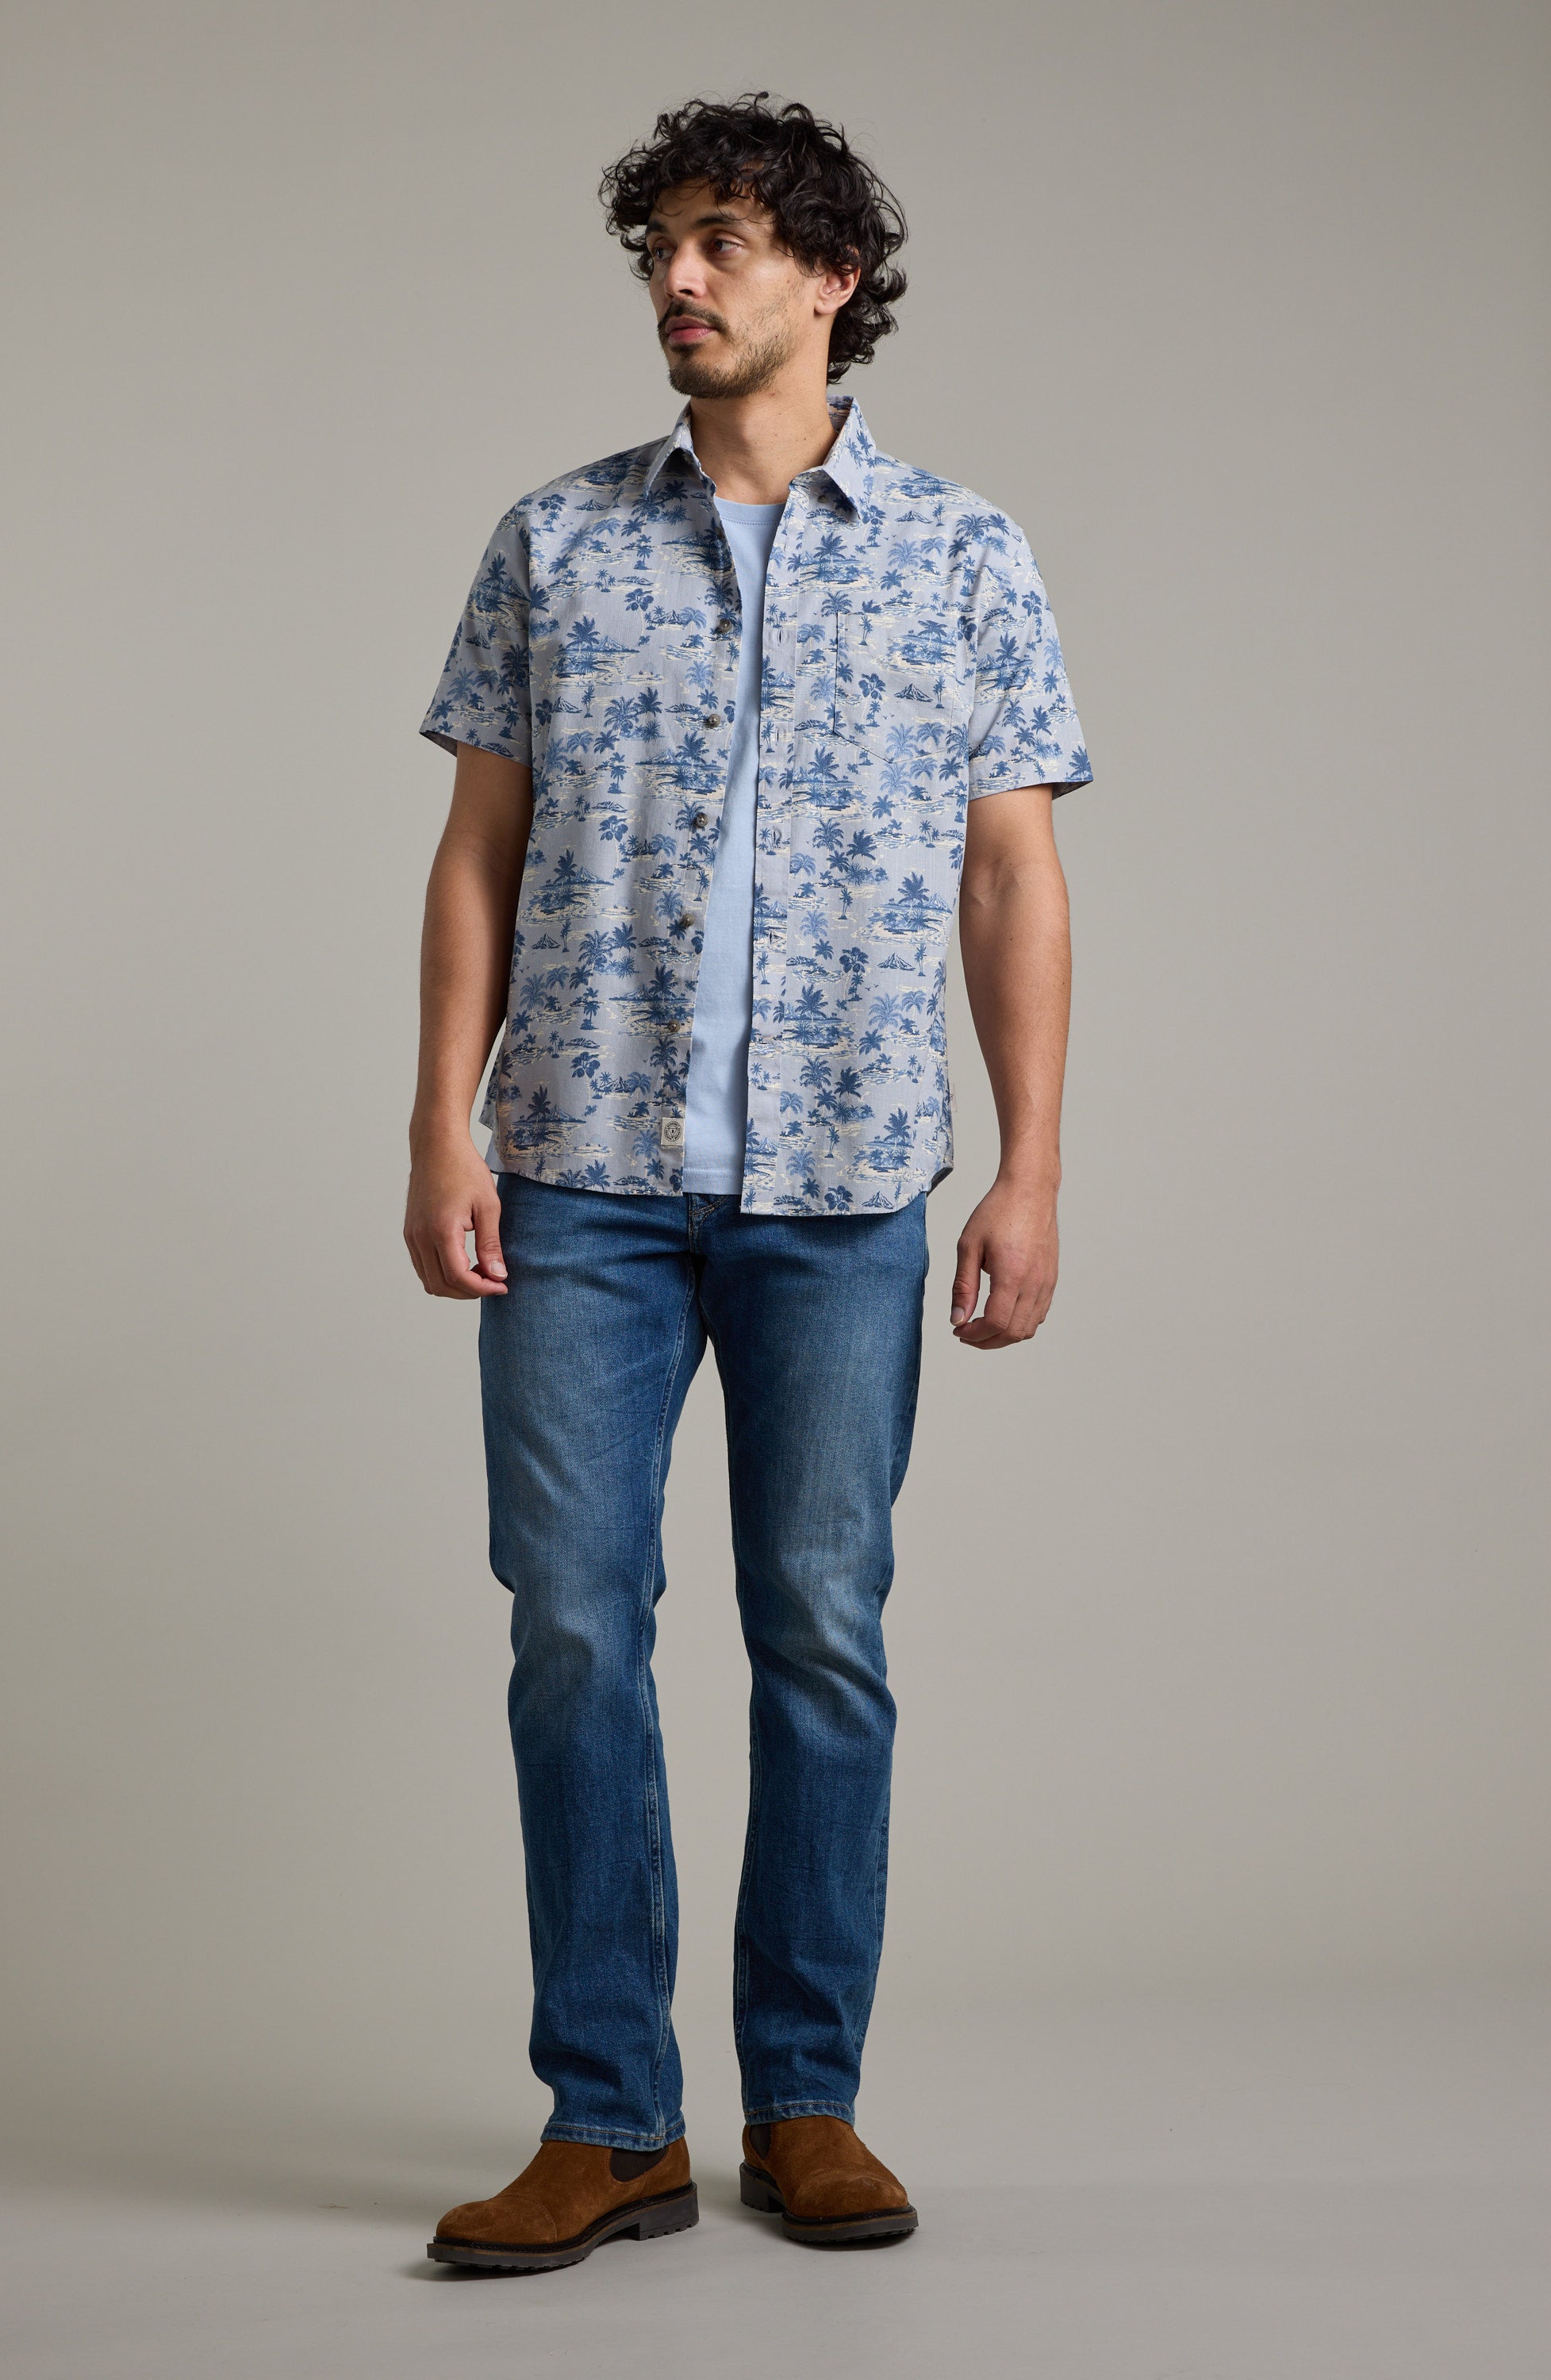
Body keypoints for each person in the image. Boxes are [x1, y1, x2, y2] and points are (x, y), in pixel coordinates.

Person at [404, 91, 1091, 2274]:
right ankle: (606, 2119)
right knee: (575, 1627)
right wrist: (435, 1120)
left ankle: (805, 2103)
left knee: (821, 1632)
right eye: (657, 254)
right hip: (578, 1180)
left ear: (828, 278)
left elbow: (1014, 875)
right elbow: (476, 857)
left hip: (844, 1188)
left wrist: (1029, 1168)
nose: (679, 286)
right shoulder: (553, 542)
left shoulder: (964, 552)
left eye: (719, 244)